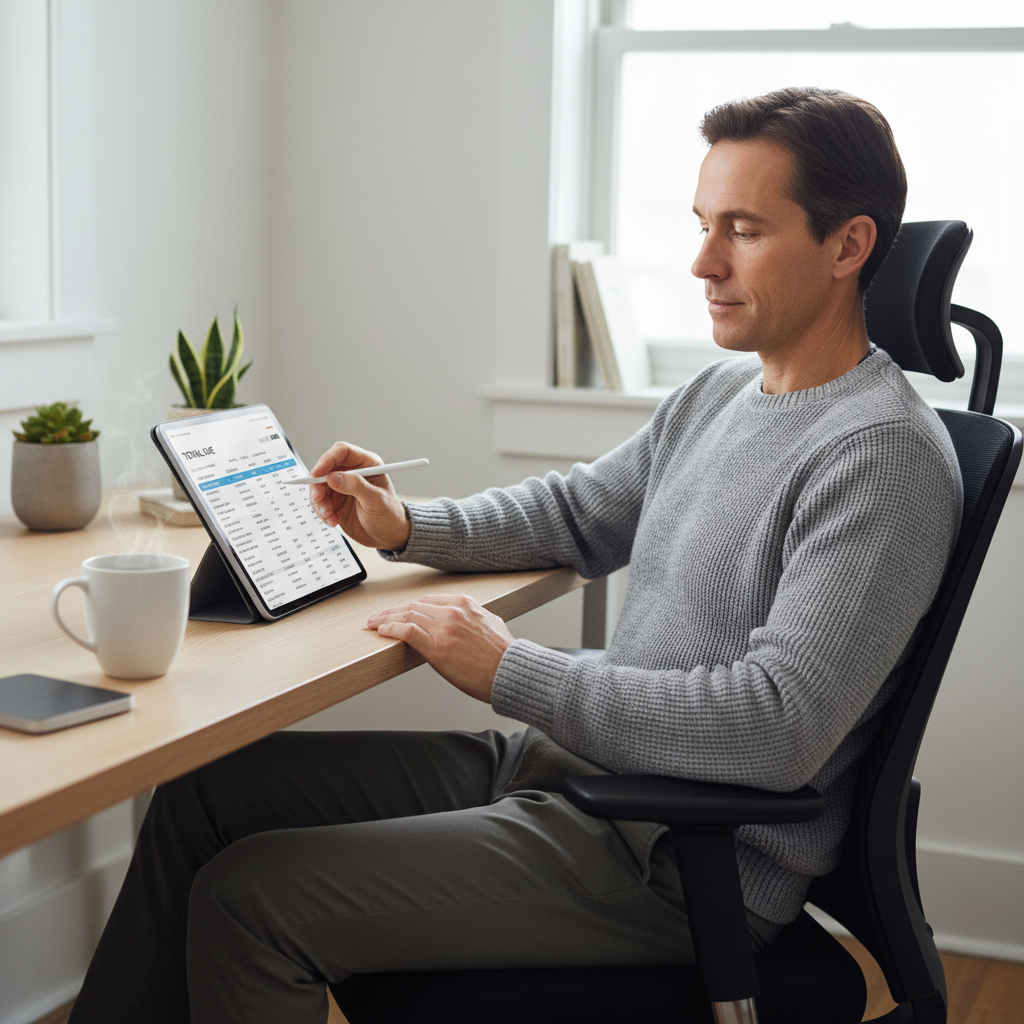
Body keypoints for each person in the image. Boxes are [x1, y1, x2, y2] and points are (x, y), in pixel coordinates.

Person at [69, 87, 961, 1024]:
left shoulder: (880, 454)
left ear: (848, 246)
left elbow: (775, 730)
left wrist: (508, 668)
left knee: (251, 899)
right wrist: (405, 525)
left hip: (675, 856)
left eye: (742, 230)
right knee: (200, 799)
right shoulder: (720, 395)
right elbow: (577, 512)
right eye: (703, 224)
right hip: (575, 770)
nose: (703, 262)